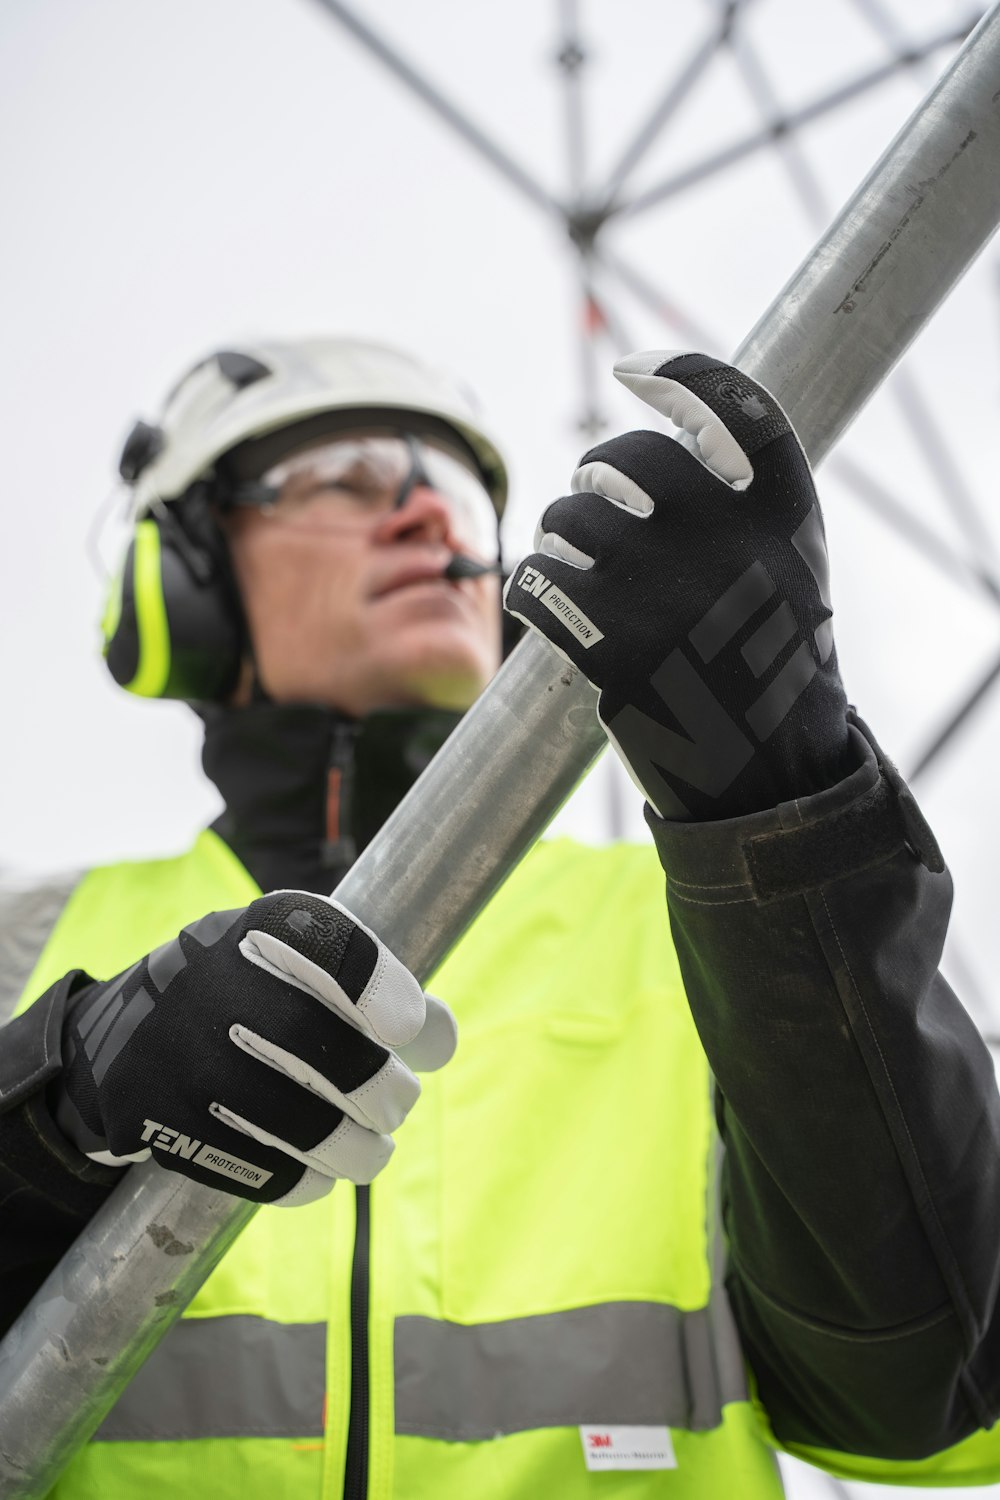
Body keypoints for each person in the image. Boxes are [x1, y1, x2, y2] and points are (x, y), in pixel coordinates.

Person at [1, 336, 999, 1500]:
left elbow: (939, 1400)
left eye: (458, 490)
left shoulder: (704, 929)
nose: (430, 516)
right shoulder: (33, 949)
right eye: (353, 476)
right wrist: (50, 1115)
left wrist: (786, 813)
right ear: (186, 580)